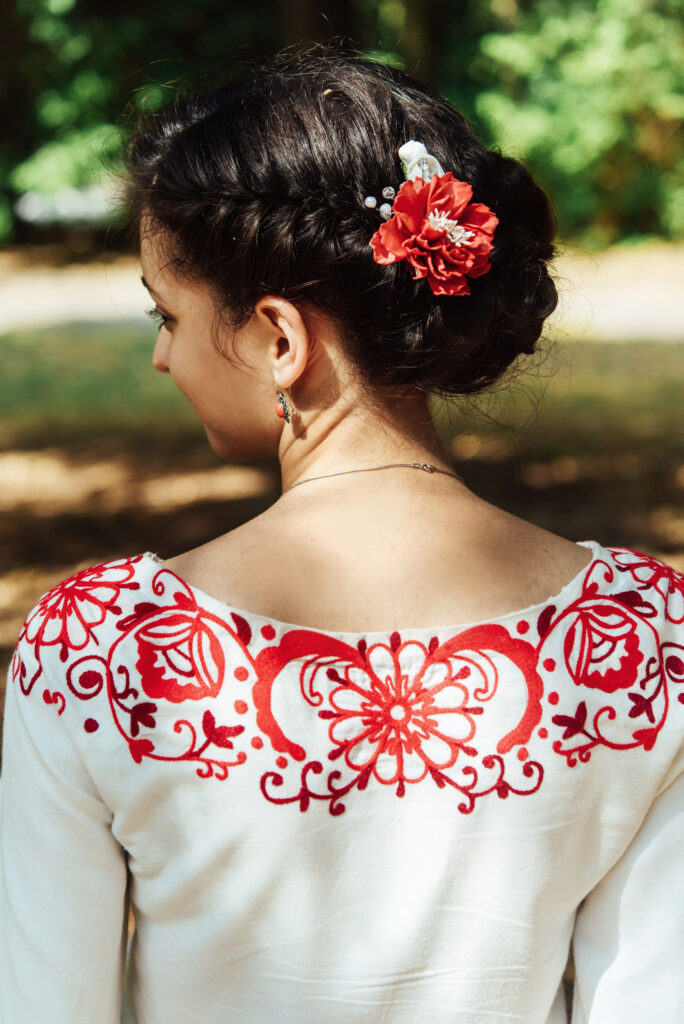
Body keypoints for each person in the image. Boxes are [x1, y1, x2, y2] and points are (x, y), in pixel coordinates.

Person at [1, 45, 683, 1024]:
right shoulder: (643, 639)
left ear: (279, 338)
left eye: (168, 314)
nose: (160, 356)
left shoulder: (98, 654)